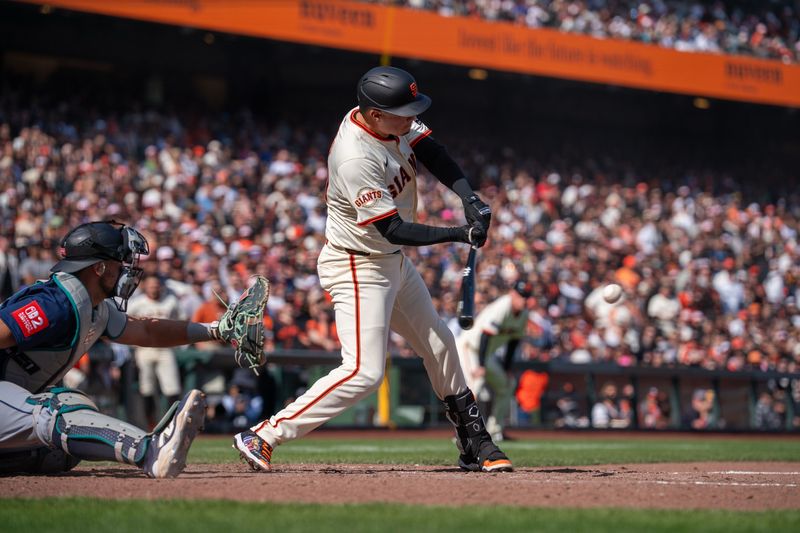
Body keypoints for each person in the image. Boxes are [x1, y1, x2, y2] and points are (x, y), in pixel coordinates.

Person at [234, 66, 512, 473]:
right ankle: (264, 435)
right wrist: (458, 233)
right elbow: (393, 229)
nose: (411, 117)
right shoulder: (354, 156)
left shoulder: (386, 119)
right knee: (364, 372)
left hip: (389, 261)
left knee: (440, 343)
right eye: (403, 111)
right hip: (357, 264)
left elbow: (431, 150)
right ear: (375, 113)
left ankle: (473, 441)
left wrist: (468, 197)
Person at [0, 221, 226, 478]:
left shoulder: (94, 306)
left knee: (61, 446)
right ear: (99, 268)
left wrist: (214, 330)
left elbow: (147, 330)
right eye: (121, 263)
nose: (127, 271)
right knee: (56, 412)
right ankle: (150, 450)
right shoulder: (55, 302)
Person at [456, 280, 532, 441]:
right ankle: (465, 433)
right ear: (512, 294)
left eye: (526, 297)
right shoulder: (502, 307)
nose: (523, 300)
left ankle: (495, 431)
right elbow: (485, 336)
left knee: (507, 384)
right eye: (521, 296)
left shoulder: (524, 314)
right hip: (469, 347)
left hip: (485, 354)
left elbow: (514, 342)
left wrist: (506, 368)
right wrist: (481, 366)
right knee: (474, 386)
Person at [127, 273, 185, 428]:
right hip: (144, 350)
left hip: (165, 348)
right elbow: (125, 323)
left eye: (156, 285)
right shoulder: (136, 303)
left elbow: (182, 320)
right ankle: (151, 424)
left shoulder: (170, 301)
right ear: (145, 286)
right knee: (147, 388)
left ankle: (172, 424)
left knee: (172, 387)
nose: (154, 288)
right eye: (151, 285)